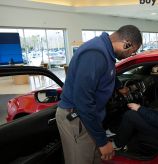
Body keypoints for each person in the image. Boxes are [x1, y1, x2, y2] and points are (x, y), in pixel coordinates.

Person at [55, 25, 142, 164]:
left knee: (95, 159)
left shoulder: (105, 52)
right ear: (127, 44)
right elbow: (83, 102)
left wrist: (119, 87)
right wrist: (102, 141)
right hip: (77, 118)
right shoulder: (95, 53)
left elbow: (106, 72)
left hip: (89, 118)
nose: (131, 55)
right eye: (132, 51)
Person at [113, 63, 158, 154]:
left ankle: (117, 144)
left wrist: (139, 108)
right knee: (149, 107)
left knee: (130, 115)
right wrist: (142, 109)